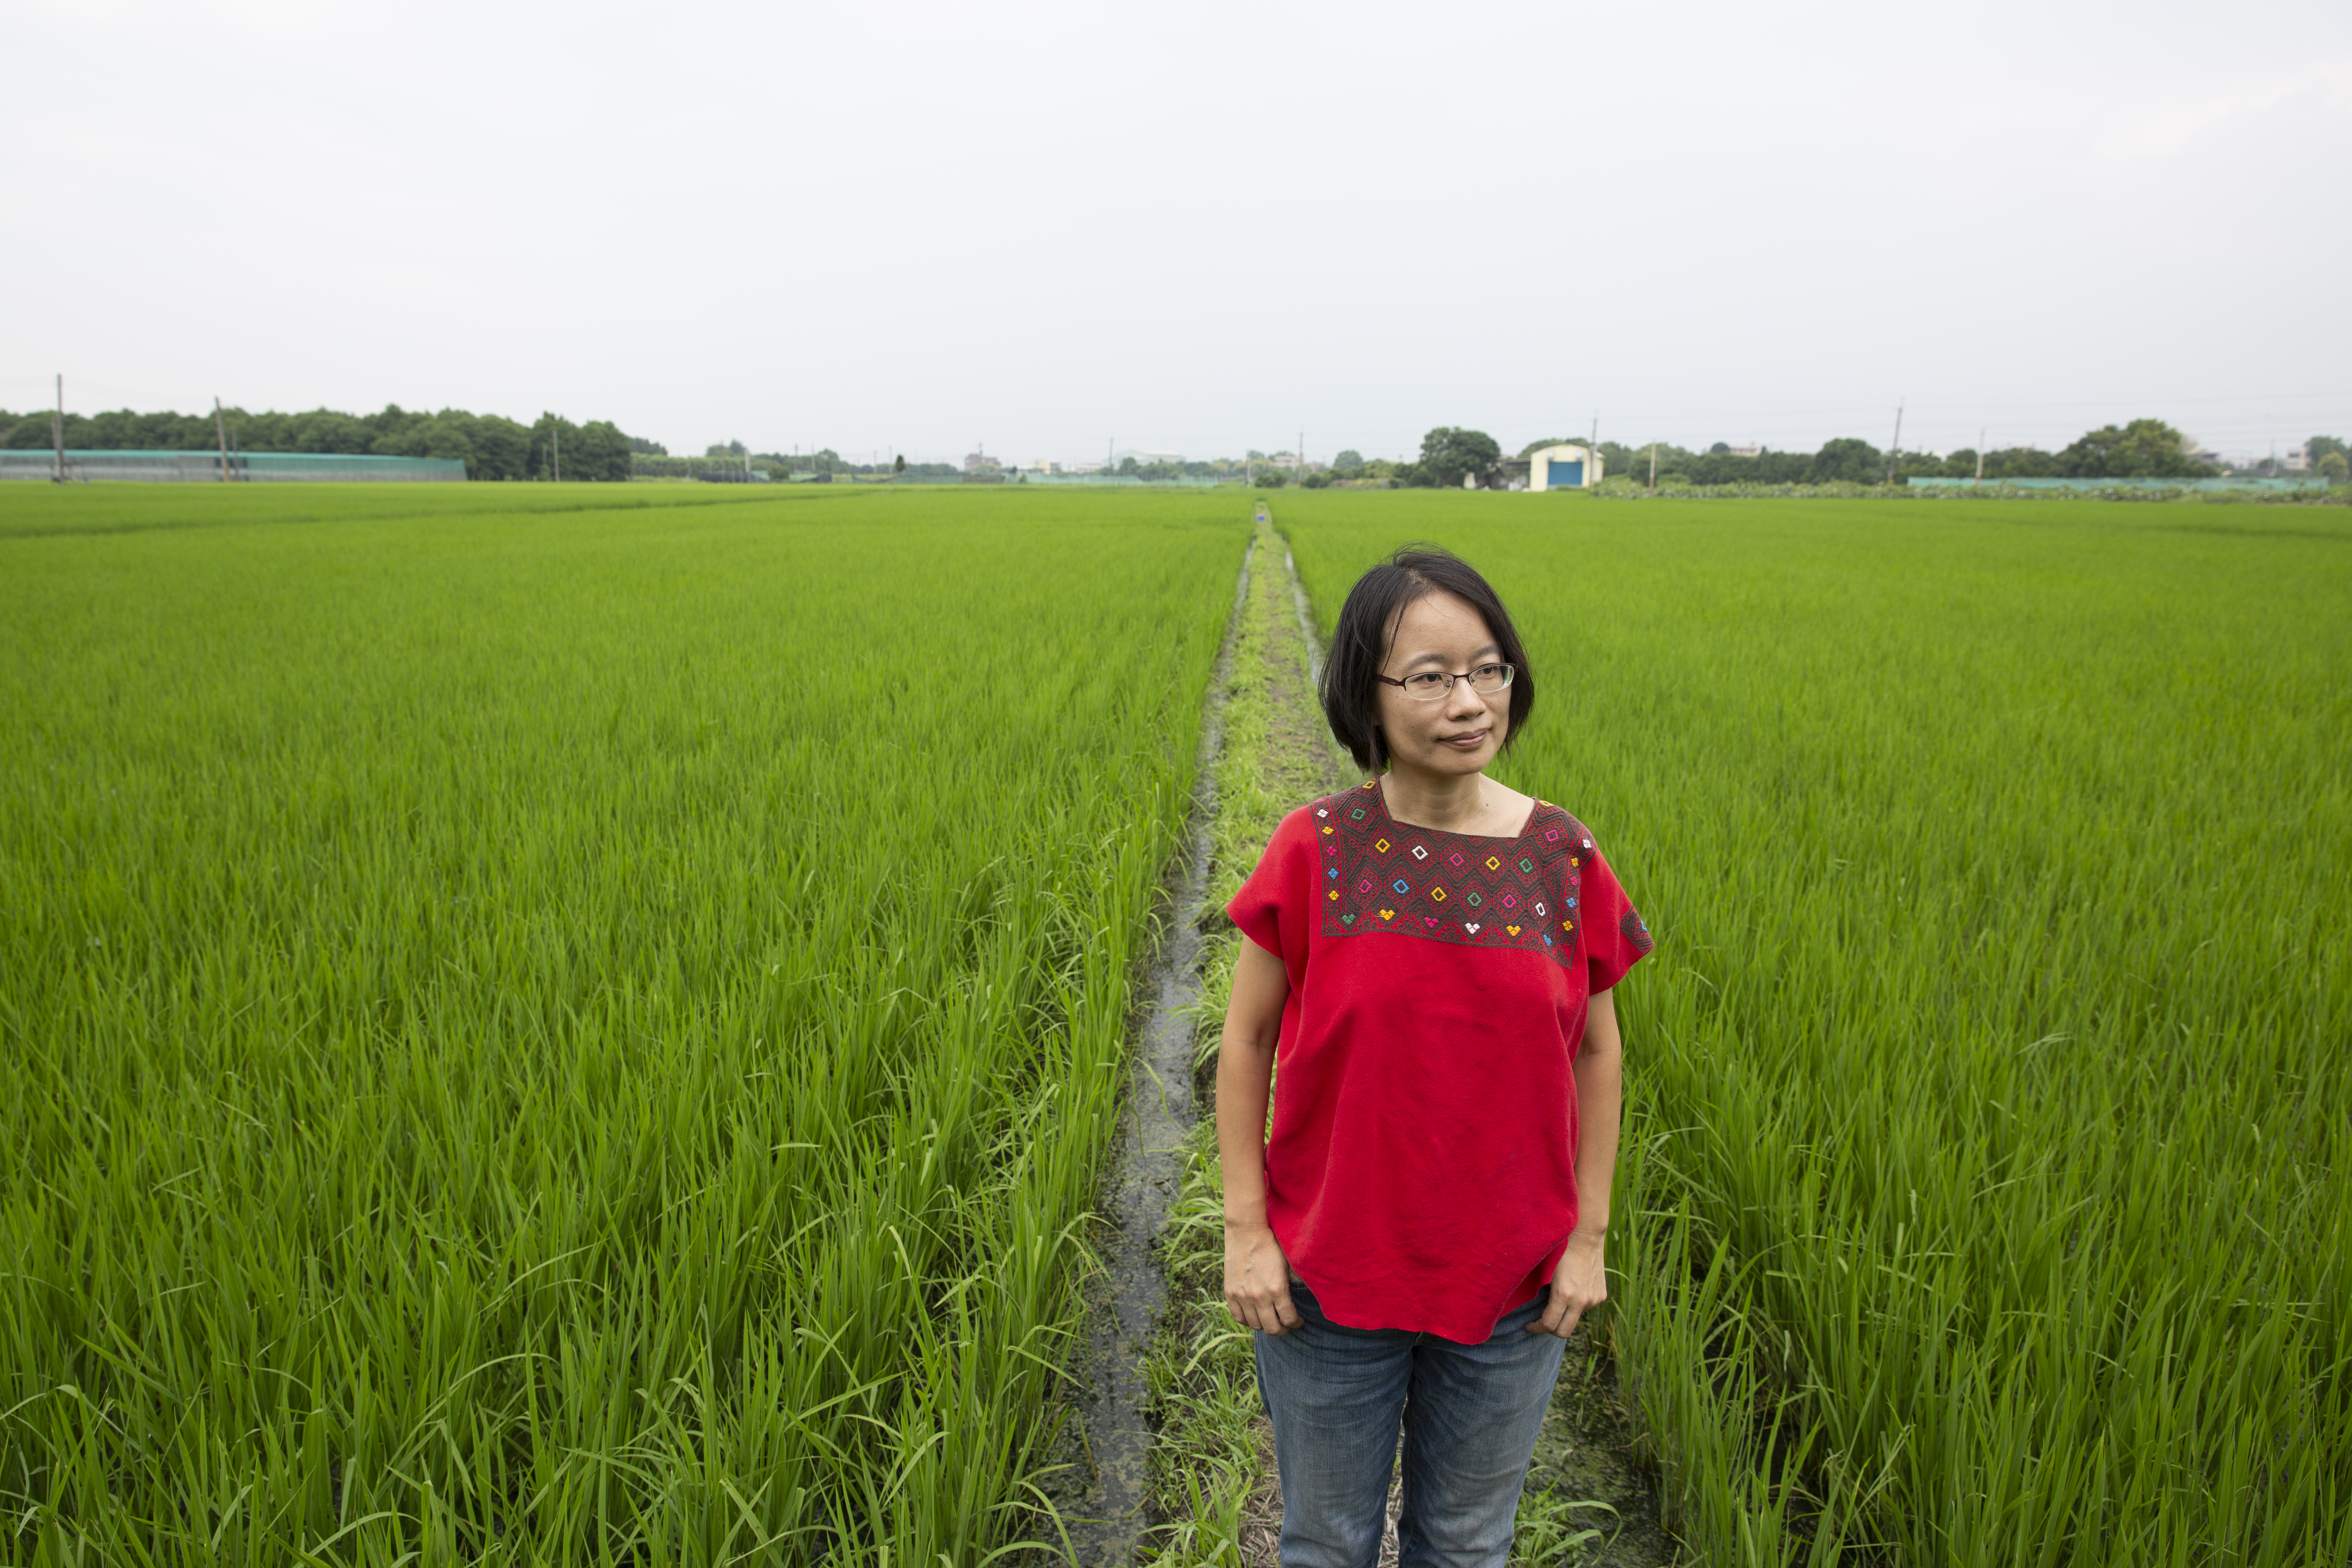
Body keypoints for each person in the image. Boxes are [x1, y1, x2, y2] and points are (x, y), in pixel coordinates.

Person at [1217, 545, 1650, 1567]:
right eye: (1429, 677)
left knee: (1464, 1546)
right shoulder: (1315, 848)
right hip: (1330, 1277)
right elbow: (1245, 1040)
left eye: (1488, 669)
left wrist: (1588, 1238)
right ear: (1364, 693)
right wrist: (1246, 1232)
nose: (1468, 702)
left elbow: (1598, 1051)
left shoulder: (1563, 856)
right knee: (1326, 1544)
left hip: (1511, 1283)